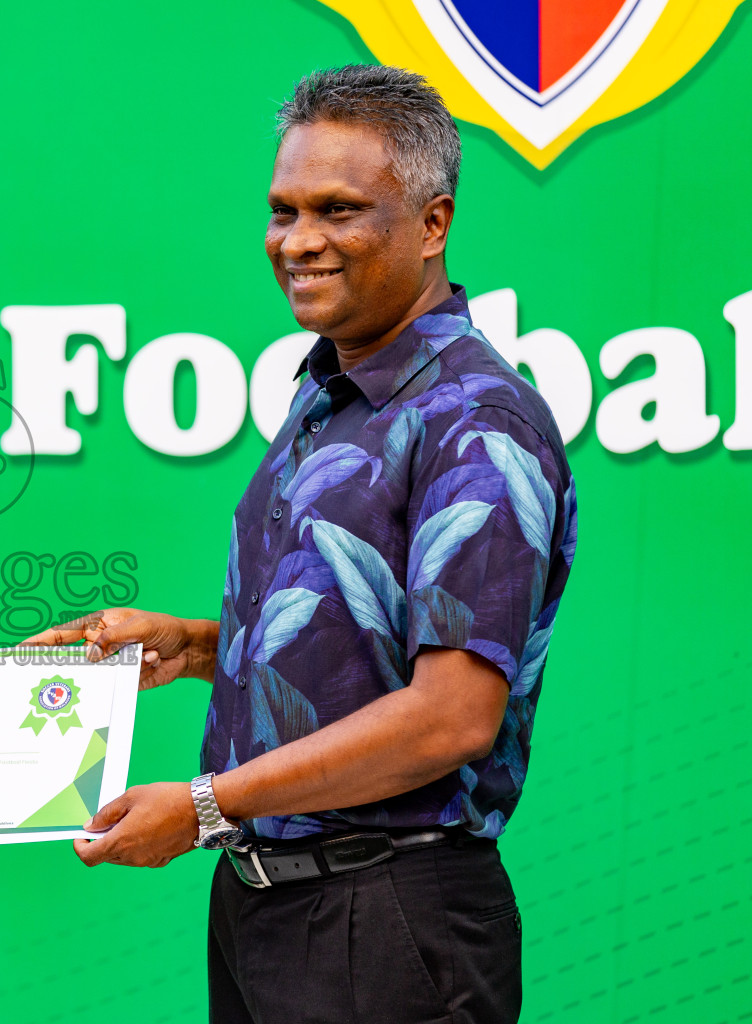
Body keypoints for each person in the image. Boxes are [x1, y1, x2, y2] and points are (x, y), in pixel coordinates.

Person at [29, 66, 577, 1023]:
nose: (299, 242)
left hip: (390, 919)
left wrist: (205, 803)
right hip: (266, 905)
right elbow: (369, 644)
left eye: (339, 210)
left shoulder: (478, 421)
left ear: (433, 225)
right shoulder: (328, 393)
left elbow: (450, 718)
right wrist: (197, 648)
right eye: (283, 211)